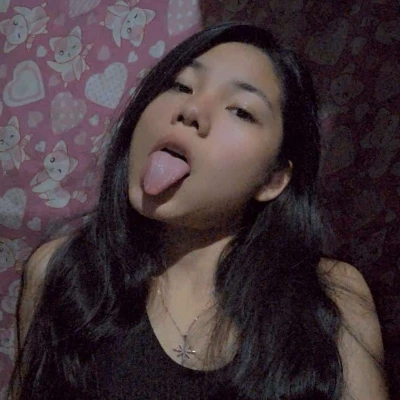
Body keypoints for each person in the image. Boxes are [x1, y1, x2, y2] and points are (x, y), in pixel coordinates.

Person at [9, 22, 387, 399]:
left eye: (241, 110)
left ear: (273, 179)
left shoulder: (332, 297)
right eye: (180, 86)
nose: (190, 109)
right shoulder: (60, 273)